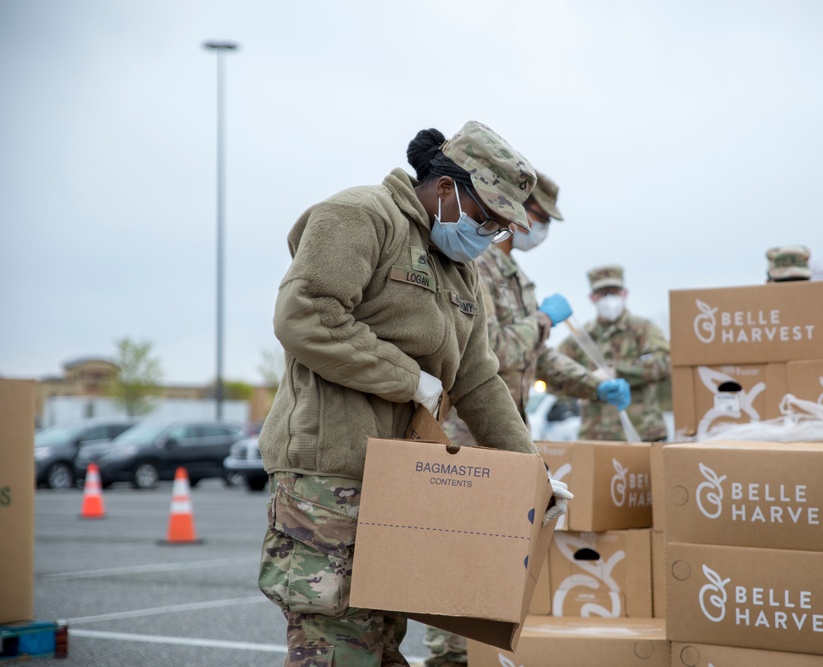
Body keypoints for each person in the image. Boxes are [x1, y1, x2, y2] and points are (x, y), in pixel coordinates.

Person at [255, 121, 572, 667]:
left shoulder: (459, 271)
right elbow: (306, 316)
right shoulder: (362, 216)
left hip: (399, 481)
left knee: (380, 644)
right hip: (330, 477)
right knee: (335, 646)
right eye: (485, 218)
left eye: (499, 229)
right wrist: (411, 380)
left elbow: (478, 378)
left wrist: (532, 475)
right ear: (447, 188)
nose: (489, 236)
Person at [422, 173, 631, 667]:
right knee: (457, 556)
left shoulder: (517, 277)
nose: (541, 230)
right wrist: (541, 320)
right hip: (466, 436)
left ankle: (474, 653)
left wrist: (593, 384)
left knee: (492, 563)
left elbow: (538, 359)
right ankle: (449, 657)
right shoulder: (479, 263)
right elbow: (490, 351)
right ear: (516, 214)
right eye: (539, 219)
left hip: (502, 436)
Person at [557, 265, 672, 442]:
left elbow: (662, 364)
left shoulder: (644, 330)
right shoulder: (581, 338)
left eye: (614, 292)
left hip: (643, 433)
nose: (609, 298)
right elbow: (554, 371)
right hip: (595, 435)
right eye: (603, 293)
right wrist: (586, 381)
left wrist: (615, 372)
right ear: (592, 297)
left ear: (625, 293)